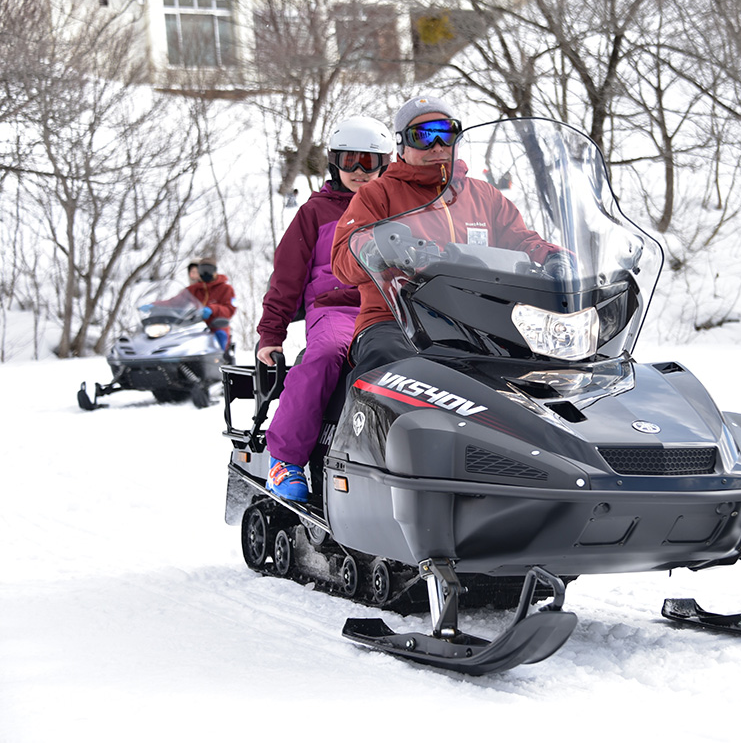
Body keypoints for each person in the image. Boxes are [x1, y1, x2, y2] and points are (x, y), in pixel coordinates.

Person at [331, 96, 565, 386]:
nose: (438, 146)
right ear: (403, 145)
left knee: (539, 370)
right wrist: (375, 247)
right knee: (391, 366)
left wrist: (554, 258)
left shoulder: (483, 196)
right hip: (395, 319)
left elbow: (522, 241)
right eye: (423, 137)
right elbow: (342, 261)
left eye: (447, 133)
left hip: (479, 320)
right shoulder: (377, 194)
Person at [256, 116, 394, 502]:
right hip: (338, 310)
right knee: (327, 354)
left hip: (393, 309)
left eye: (370, 162)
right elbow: (286, 277)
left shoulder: (399, 208)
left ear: (386, 163)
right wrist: (271, 334)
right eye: (351, 161)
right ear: (335, 161)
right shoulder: (315, 212)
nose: (360, 172)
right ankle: (286, 459)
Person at [185, 257, 237, 352]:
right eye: (202, 270)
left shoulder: (226, 289)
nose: (205, 273)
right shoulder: (193, 289)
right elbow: (175, 302)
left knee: (220, 336)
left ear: (215, 271)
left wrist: (212, 309)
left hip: (216, 326)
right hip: (193, 326)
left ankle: (221, 360)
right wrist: (155, 306)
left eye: (209, 269)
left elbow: (230, 309)